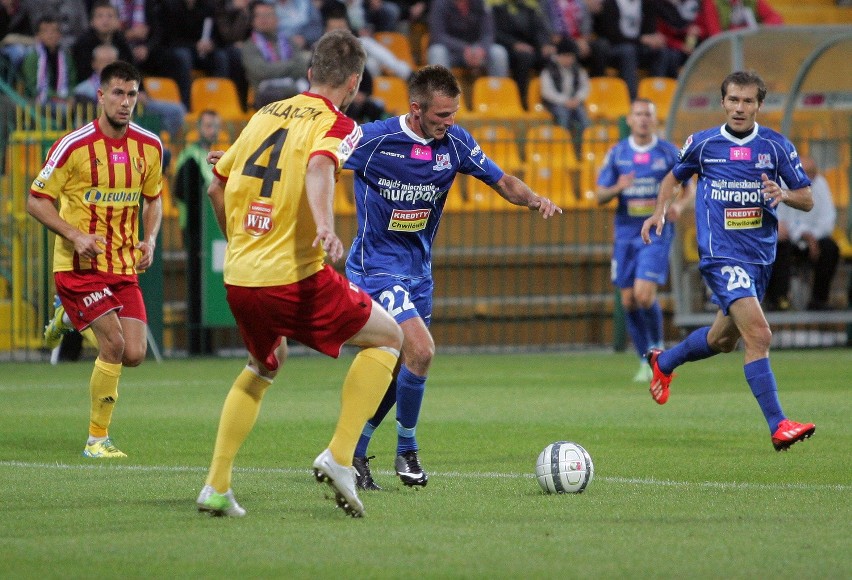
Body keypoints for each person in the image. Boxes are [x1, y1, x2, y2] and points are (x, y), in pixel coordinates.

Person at [196, 29, 403, 518]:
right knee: (390, 338)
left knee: (264, 364)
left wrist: (242, 243)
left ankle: (216, 486)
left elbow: (215, 189)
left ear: (309, 73)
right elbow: (317, 167)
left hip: (240, 276)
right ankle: (340, 455)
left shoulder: (264, 114)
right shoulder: (339, 123)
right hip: (292, 276)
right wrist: (327, 228)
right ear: (353, 83)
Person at [344, 65, 562, 490]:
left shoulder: (456, 142)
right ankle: (407, 450)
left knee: (401, 366)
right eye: (442, 115)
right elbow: (309, 154)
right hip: (376, 268)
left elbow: (502, 180)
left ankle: (354, 449)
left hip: (419, 273)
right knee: (421, 352)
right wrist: (241, 160)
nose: (450, 121)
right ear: (416, 109)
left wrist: (534, 199)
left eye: (454, 113)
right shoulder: (375, 140)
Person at [640, 70, 816, 451]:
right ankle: (778, 424)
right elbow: (673, 178)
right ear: (723, 102)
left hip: (760, 259)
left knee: (722, 340)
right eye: (733, 100)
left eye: (747, 101)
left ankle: (664, 361)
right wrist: (659, 211)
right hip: (721, 256)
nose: (739, 108)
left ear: (759, 105)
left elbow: (807, 198)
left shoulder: (776, 147)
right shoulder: (703, 144)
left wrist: (783, 194)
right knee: (760, 335)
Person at [28, 59, 163, 458]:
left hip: (122, 265)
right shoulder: (73, 146)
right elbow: (36, 200)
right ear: (100, 96)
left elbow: (154, 199)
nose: (125, 102)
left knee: (135, 354)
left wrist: (151, 239)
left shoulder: (150, 146)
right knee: (114, 344)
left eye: (132, 94)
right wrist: (74, 234)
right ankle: (97, 439)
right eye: (118, 93)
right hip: (78, 266)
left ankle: (67, 318)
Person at [596, 98, 694, 383]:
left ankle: (658, 350)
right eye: (638, 114)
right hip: (625, 234)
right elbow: (599, 196)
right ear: (629, 119)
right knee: (627, 301)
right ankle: (645, 359)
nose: (642, 119)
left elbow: (689, 188)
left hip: (655, 232)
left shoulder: (668, 152)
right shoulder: (617, 154)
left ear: (655, 120)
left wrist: (678, 207)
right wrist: (619, 187)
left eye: (647, 115)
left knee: (643, 295)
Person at [173, 109, 222, 353]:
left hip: (213, 232)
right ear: (199, 127)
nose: (210, 130)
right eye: (207, 125)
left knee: (210, 286)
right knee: (196, 285)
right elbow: (181, 191)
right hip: (194, 231)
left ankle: (207, 343)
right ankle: (197, 344)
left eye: (214, 126)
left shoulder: (214, 156)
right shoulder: (190, 156)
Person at [765, 155, 840, 311]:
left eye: (812, 172)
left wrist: (810, 235)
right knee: (777, 244)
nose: (808, 176)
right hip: (790, 238)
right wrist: (802, 233)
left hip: (814, 238)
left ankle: (819, 300)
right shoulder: (781, 184)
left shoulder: (820, 185)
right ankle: (778, 300)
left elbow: (828, 220)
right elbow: (781, 220)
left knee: (830, 249)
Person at [592, 0, 680, 100]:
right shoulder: (610, 4)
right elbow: (611, 36)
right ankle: (631, 99)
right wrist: (641, 39)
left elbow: (651, 30)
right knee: (628, 51)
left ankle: (657, 97)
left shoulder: (646, 4)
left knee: (662, 52)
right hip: (615, 49)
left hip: (638, 48)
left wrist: (654, 39)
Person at [240, 0, 310, 108]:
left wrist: (276, 69)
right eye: (259, 15)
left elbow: (301, 67)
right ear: (253, 21)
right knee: (276, 96)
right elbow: (262, 72)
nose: (264, 19)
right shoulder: (249, 46)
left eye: (268, 15)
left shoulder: (289, 42)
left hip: (293, 90)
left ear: (277, 19)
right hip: (266, 96)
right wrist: (290, 65)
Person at [490, 0, 555, 109]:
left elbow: (539, 30)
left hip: (530, 48)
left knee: (548, 58)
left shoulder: (529, 9)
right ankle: (520, 98)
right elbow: (495, 33)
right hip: (508, 48)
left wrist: (544, 45)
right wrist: (514, 44)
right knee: (524, 58)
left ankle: (547, 99)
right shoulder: (496, 8)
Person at [426, 0, 509, 79]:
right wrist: (464, 48)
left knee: (498, 52)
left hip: (477, 51)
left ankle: (497, 92)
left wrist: (482, 49)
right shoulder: (440, 3)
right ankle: (442, 92)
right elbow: (438, 36)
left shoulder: (481, 3)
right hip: (452, 52)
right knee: (437, 52)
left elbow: (488, 33)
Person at [539, 36, 590, 158]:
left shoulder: (578, 70)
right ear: (559, 55)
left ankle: (584, 150)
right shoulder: (549, 71)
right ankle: (564, 149)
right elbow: (547, 92)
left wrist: (577, 99)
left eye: (571, 56)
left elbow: (585, 87)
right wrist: (564, 101)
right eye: (566, 56)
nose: (569, 59)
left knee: (584, 118)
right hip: (557, 104)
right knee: (563, 116)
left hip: (574, 103)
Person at [20, 16, 77, 112]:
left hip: (65, 97)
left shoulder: (66, 56)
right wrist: (59, 97)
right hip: (40, 99)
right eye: (45, 31)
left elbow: (72, 80)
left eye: (54, 31)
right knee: (64, 110)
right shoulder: (32, 57)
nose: (50, 35)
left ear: (60, 35)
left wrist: (70, 96)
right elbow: (34, 87)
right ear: (38, 35)